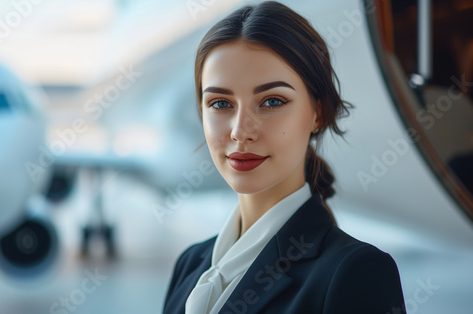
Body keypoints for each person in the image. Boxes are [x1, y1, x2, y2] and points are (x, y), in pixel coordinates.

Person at [163, 1, 406, 313]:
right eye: (221, 104)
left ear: (318, 112)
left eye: (272, 101)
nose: (240, 131)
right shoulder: (190, 263)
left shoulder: (356, 273)